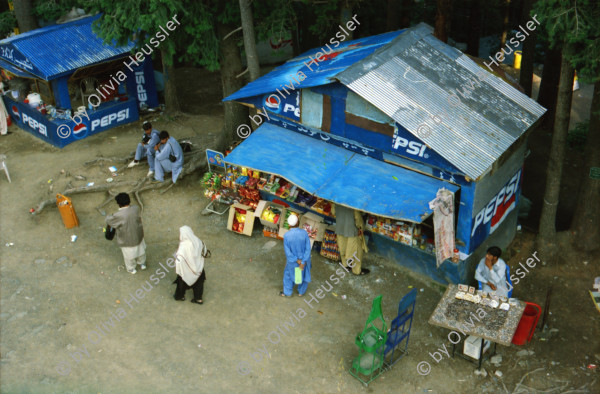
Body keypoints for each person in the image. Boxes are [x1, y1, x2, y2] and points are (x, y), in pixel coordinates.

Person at [105, 193, 146, 274]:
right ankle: (142, 264)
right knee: (141, 252)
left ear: (119, 204)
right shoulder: (135, 208)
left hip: (126, 240)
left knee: (129, 257)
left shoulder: (118, 215)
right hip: (138, 236)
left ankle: (132, 269)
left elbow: (108, 220)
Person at [173, 226, 207, 305]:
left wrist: (179, 270)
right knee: (199, 284)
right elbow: (204, 250)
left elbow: (179, 260)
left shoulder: (183, 246)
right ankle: (198, 299)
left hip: (187, 270)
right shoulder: (197, 240)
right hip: (199, 268)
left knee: (181, 283)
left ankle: (180, 296)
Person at [280, 214, 312, 297]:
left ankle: (287, 293)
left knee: (289, 275)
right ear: (298, 222)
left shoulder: (286, 236)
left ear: (289, 224)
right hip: (304, 261)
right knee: (303, 274)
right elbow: (308, 249)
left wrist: (297, 261)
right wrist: (303, 261)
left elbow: (288, 253)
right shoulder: (304, 233)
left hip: (294, 262)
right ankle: (301, 292)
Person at [333, 204, 369, 275]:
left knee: (343, 248)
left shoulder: (336, 201)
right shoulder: (353, 204)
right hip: (352, 231)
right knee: (356, 251)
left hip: (340, 228)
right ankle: (356, 270)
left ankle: (345, 265)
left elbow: (333, 212)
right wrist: (361, 227)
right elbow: (358, 219)